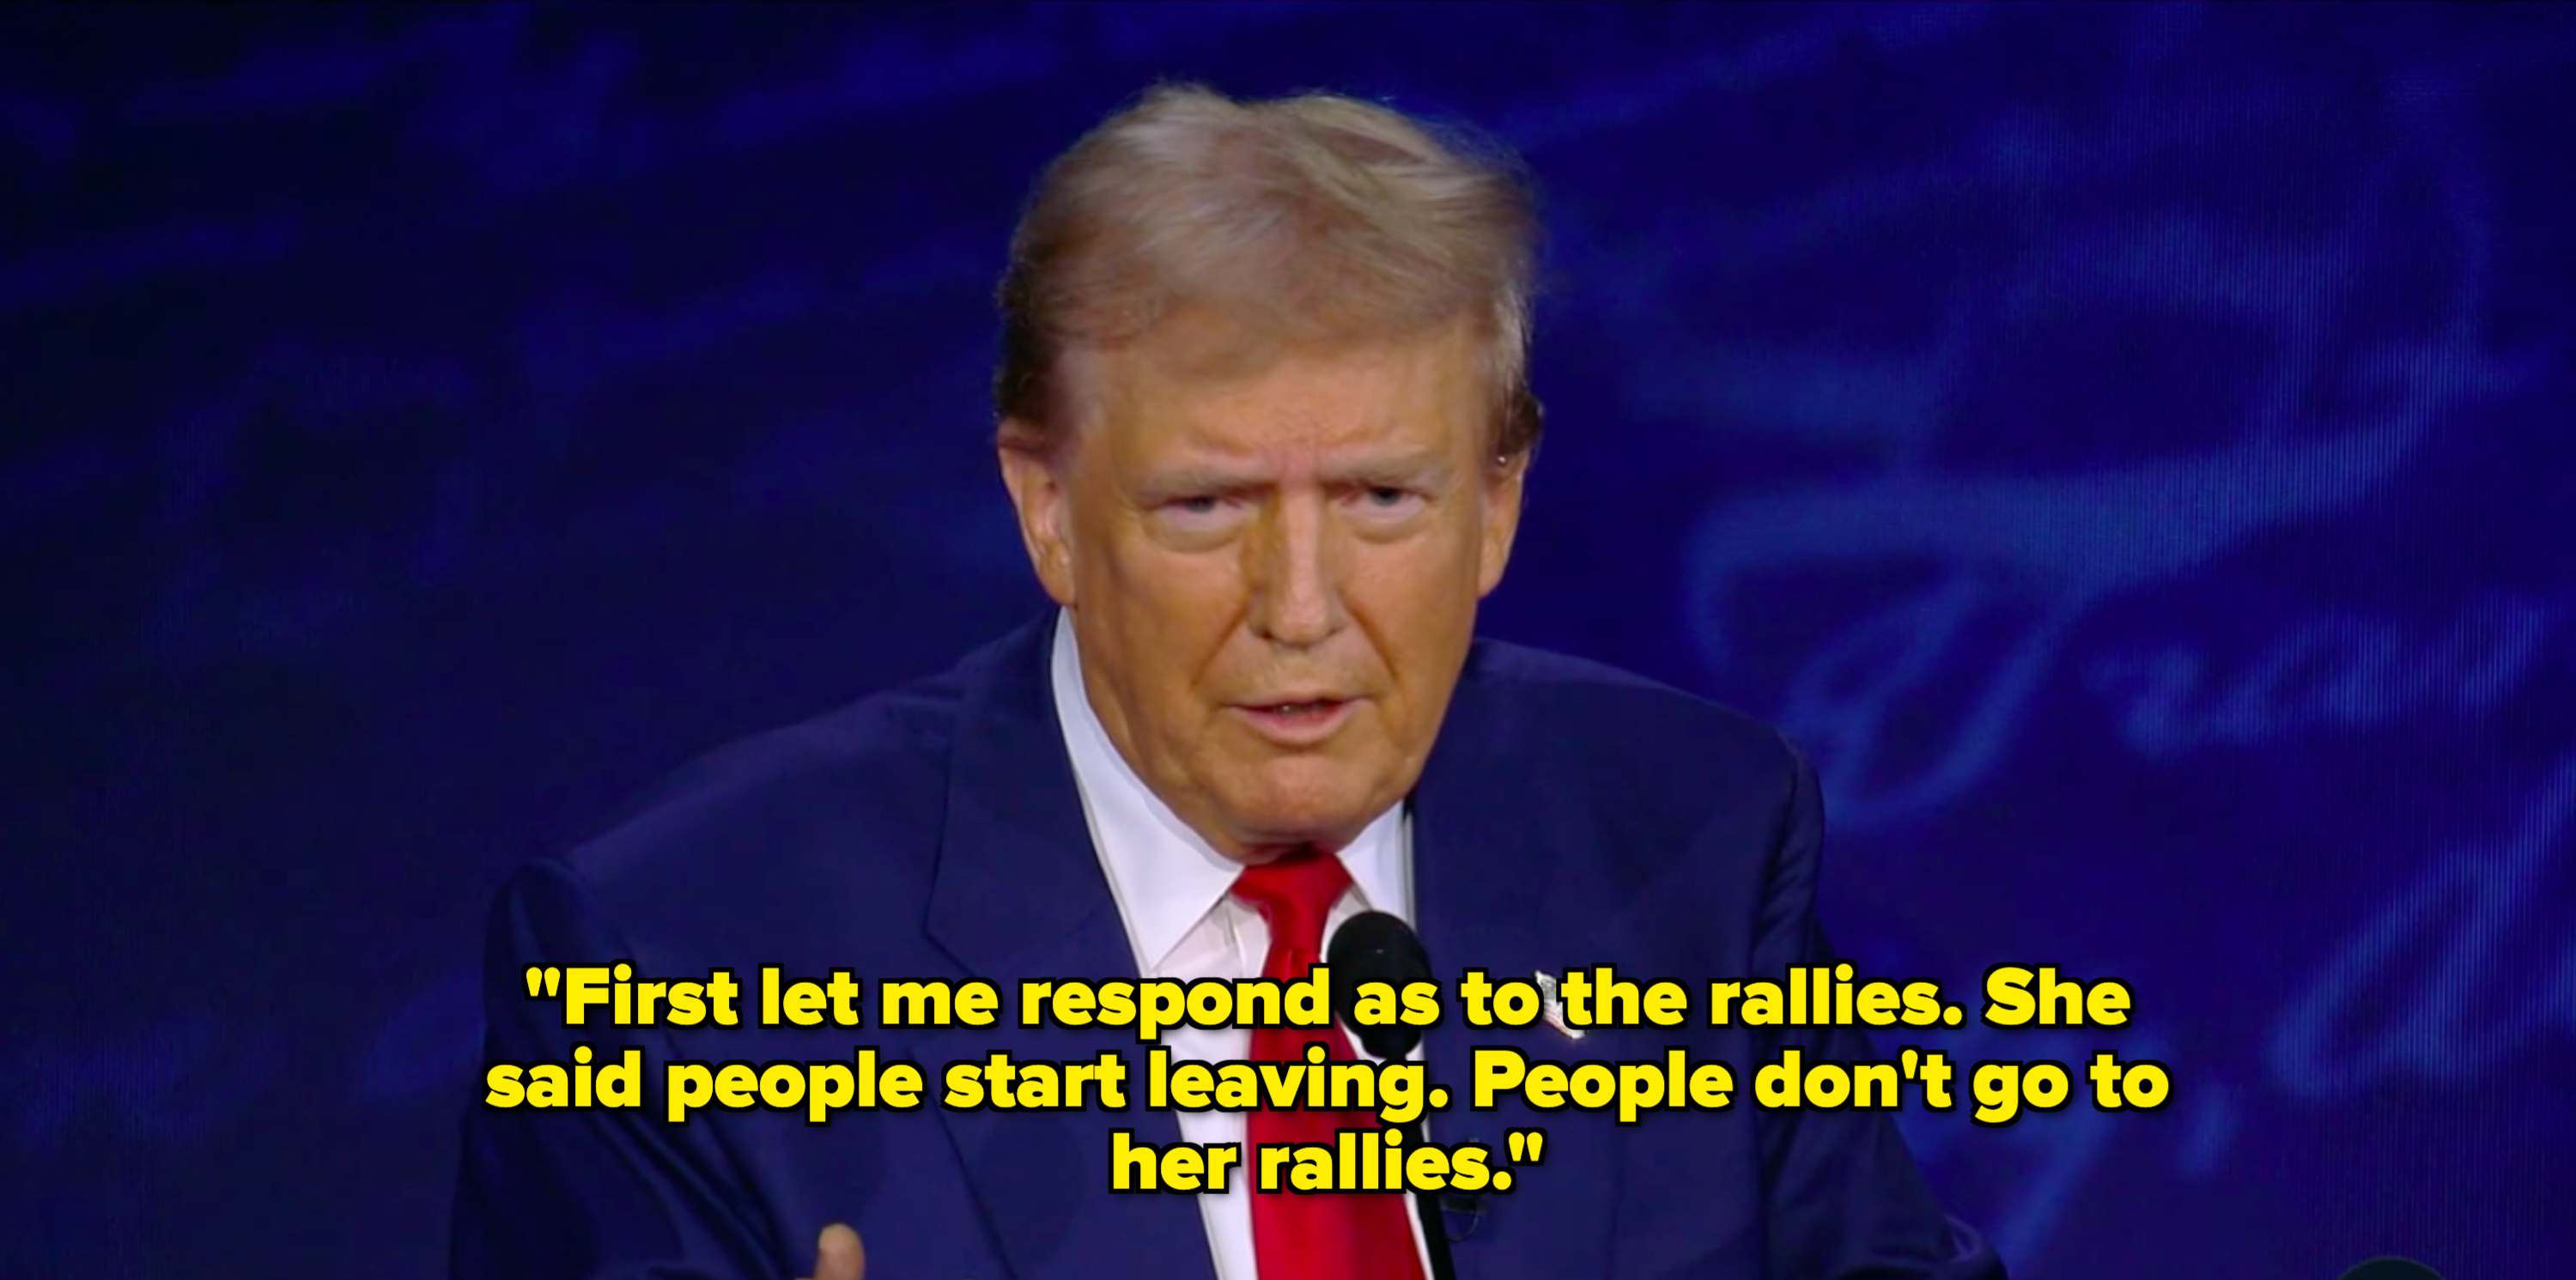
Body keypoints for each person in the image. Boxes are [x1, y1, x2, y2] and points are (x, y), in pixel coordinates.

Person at [452, 83, 2003, 1280]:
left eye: (1385, 500)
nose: (1304, 609)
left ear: (1501, 502)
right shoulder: (678, 959)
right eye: (1209, 508)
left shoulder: (1692, 828)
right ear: (1047, 504)